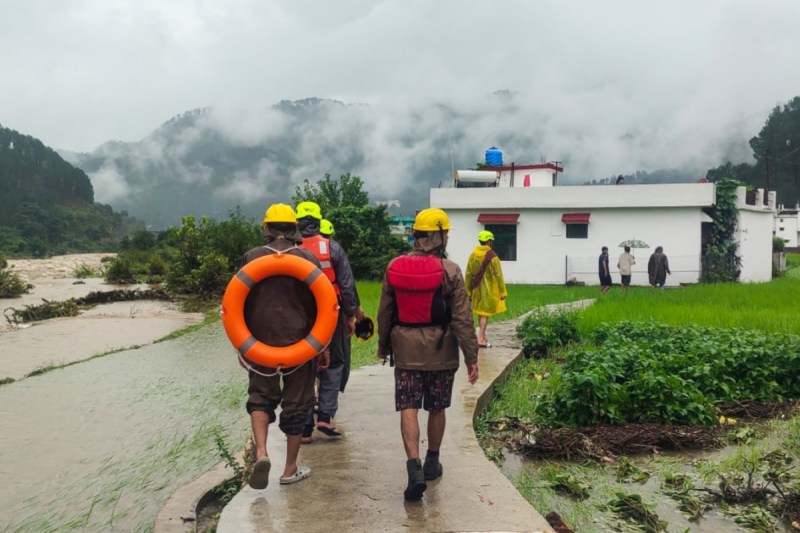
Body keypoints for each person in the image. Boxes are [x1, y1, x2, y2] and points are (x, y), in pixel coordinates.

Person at [377, 207, 479, 501]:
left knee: (407, 406)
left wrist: (384, 345)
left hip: (406, 351)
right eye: (446, 232)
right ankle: (433, 461)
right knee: (437, 407)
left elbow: (385, 312)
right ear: (438, 236)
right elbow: (462, 318)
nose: (447, 236)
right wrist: (471, 357)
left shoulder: (394, 266)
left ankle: (414, 468)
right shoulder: (451, 271)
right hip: (441, 351)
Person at [241, 203, 329, 489]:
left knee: (260, 397)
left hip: (260, 344)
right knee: (298, 403)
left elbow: (236, 305)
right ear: (295, 229)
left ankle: (263, 452)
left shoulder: (250, 257)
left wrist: (242, 345)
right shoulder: (307, 258)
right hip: (301, 344)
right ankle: (290, 469)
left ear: (266, 228)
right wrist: (323, 347)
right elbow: (324, 306)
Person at [296, 201, 362, 440]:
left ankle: (304, 427)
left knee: (303, 367)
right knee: (333, 364)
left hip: (299, 316)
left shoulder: (290, 250)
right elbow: (346, 285)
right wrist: (351, 315)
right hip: (330, 314)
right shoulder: (332, 248)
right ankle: (324, 417)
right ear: (318, 221)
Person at [465, 230, 507, 348]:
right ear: (489, 242)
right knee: (485, 315)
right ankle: (481, 339)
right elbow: (499, 275)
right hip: (489, 290)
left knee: (481, 314)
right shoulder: (493, 257)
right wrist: (502, 291)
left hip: (476, 290)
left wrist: (468, 291)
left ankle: (482, 337)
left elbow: (468, 274)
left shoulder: (473, 255)